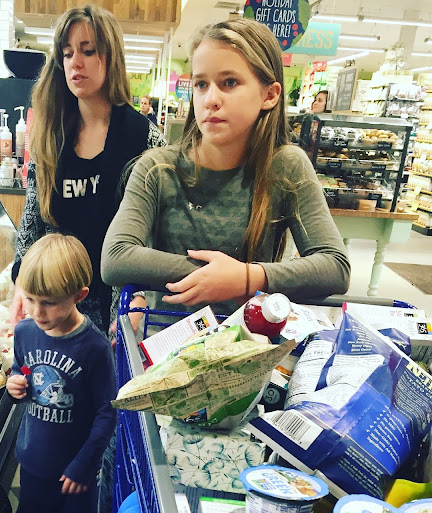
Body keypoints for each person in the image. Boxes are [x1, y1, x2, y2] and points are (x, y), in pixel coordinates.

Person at [101, 19, 350, 316]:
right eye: (201, 84)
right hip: (167, 338)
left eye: (229, 82)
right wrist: (215, 275)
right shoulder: (157, 168)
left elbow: (335, 266)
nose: (211, 99)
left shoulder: (286, 167)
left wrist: (245, 277)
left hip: (250, 340)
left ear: (270, 95)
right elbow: (115, 258)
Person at [10, 4, 165, 336]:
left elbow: (157, 231)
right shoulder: (50, 135)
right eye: (67, 54)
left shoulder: (143, 138)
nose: (75, 62)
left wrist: (140, 295)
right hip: (54, 310)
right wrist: (22, 281)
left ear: (110, 56)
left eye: (88, 51)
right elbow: (32, 220)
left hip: (117, 310)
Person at [6, 234, 116, 513]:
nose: (37, 312)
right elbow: (22, 372)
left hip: (78, 469)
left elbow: (107, 410)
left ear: (79, 295)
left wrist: (85, 464)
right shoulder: (24, 332)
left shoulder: (94, 347)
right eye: (30, 299)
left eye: (49, 302)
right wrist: (14, 386)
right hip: (34, 462)